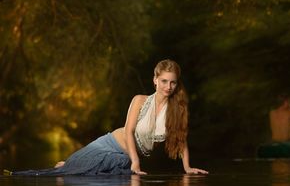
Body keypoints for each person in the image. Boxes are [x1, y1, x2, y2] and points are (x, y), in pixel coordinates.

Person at [8, 59, 208, 176]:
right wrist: (136, 162)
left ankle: (76, 165)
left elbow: (181, 140)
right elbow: (129, 131)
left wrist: (187, 168)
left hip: (123, 157)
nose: (168, 87)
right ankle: (73, 164)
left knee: (116, 166)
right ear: (155, 80)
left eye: (172, 82)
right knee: (62, 172)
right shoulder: (140, 100)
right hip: (110, 143)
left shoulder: (176, 109)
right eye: (164, 81)